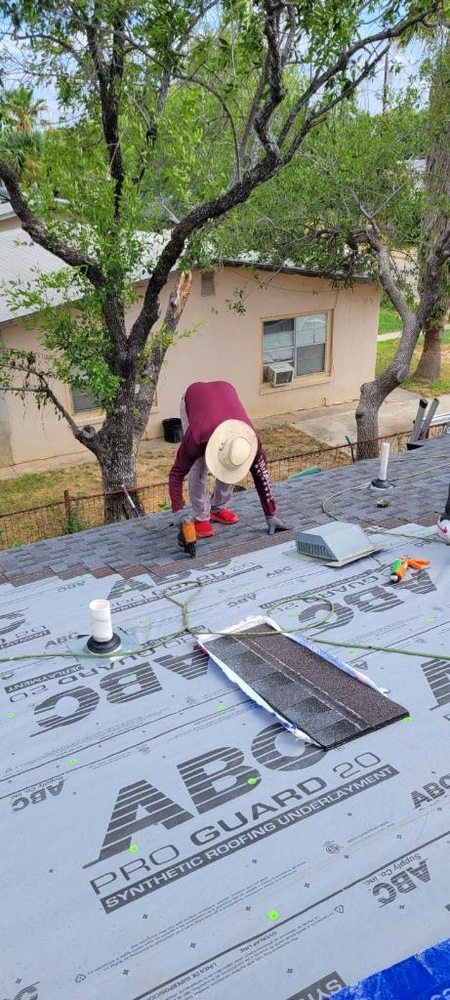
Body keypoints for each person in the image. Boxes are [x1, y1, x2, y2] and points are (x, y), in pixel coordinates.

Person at [168, 380, 289, 537]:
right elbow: (176, 473)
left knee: (231, 465)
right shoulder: (197, 436)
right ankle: (201, 515)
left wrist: (271, 515)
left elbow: (262, 478)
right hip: (195, 400)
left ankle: (217, 507)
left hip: (224, 394)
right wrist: (178, 511)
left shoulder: (251, 442)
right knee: (198, 467)